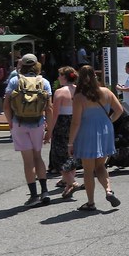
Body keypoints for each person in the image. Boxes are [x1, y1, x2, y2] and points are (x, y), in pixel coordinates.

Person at [67, 66, 124, 212]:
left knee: (88, 170)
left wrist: (70, 142)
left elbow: (76, 122)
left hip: (87, 132)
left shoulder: (79, 97)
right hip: (105, 130)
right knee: (100, 165)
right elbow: (119, 110)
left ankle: (90, 202)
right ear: (95, 76)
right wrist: (109, 121)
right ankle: (108, 190)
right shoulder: (106, 92)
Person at [3, 54, 53, 206]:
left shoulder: (14, 81)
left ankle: (33, 196)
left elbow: (6, 105)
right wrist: (49, 130)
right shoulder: (44, 82)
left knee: (28, 161)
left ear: (22, 65)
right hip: (38, 123)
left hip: (19, 123)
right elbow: (49, 108)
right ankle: (45, 191)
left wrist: (10, 122)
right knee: (38, 156)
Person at [49, 67, 80, 199]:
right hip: (76, 122)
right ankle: (69, 181)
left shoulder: (60, 92)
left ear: (64, 77)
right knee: (72, 154)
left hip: (62, 123)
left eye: (60, 76)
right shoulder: (78, 90)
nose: (58, 78)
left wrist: (49, 130)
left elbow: (54, 114)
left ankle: (71, 182)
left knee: (58, 156)